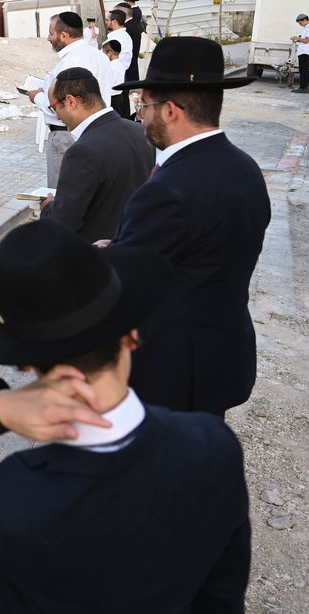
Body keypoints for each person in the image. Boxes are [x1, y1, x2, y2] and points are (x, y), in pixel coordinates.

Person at [0, 220, 251, 614]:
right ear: (133, 334)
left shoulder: (8, 497)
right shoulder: (212, 447)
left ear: (26, 363)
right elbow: (222, 592)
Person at [107, 37, 270, 416]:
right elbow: (200, 255)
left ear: (170, 110)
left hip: (172, 371)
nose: (140, 115)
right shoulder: (244, 166)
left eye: (143, 105)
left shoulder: (168, 190)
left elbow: (126, 287)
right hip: (220, 353)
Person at [40, 68, 154, 244]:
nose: (57, 116)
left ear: (70, 101)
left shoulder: (82, 151)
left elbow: (64, 222)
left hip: (98, 260)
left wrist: (49, 208)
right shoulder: (141, 131)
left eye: (54, 107)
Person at [25, 12, 115, 186]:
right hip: (93, 132)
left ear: (64, 35)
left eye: (51, 33)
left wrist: (37, 97)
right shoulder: (97, 55)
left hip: (68, 134)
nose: (48, 38)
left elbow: (65, 105)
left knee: (62, 192)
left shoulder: (72, 61)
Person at [104, 10, 134, 117]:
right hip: (119, 75)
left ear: (114, 22)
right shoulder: (124, 36)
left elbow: (104, 59)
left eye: (108, 20)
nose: (106, 22)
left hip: (114, 78)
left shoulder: (116, 39)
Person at [119, 0, 146, 81]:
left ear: (128, 1)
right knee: (133, 59)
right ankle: (133, 79)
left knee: (132, 59)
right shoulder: (137, 10)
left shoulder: (134, 11)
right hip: (135, 34)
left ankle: (132, 80)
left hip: (132, 35)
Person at [102, 39, 130, 118]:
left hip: (110, 97)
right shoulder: (121, 65)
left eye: (104, 53)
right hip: (119, 95)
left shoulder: (109, 66)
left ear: (109, 53)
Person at [291, 13, 309, 93]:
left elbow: (306, 41)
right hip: (302, 51)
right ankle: (304, 87)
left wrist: (296, 38)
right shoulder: (306, 28)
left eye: (300, 23)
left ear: (305, 20)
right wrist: (298, 39)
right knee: (304, 70)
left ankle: (303, 88)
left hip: (305, 52)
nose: (300, 25)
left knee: (303, 71)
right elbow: (303, 39)